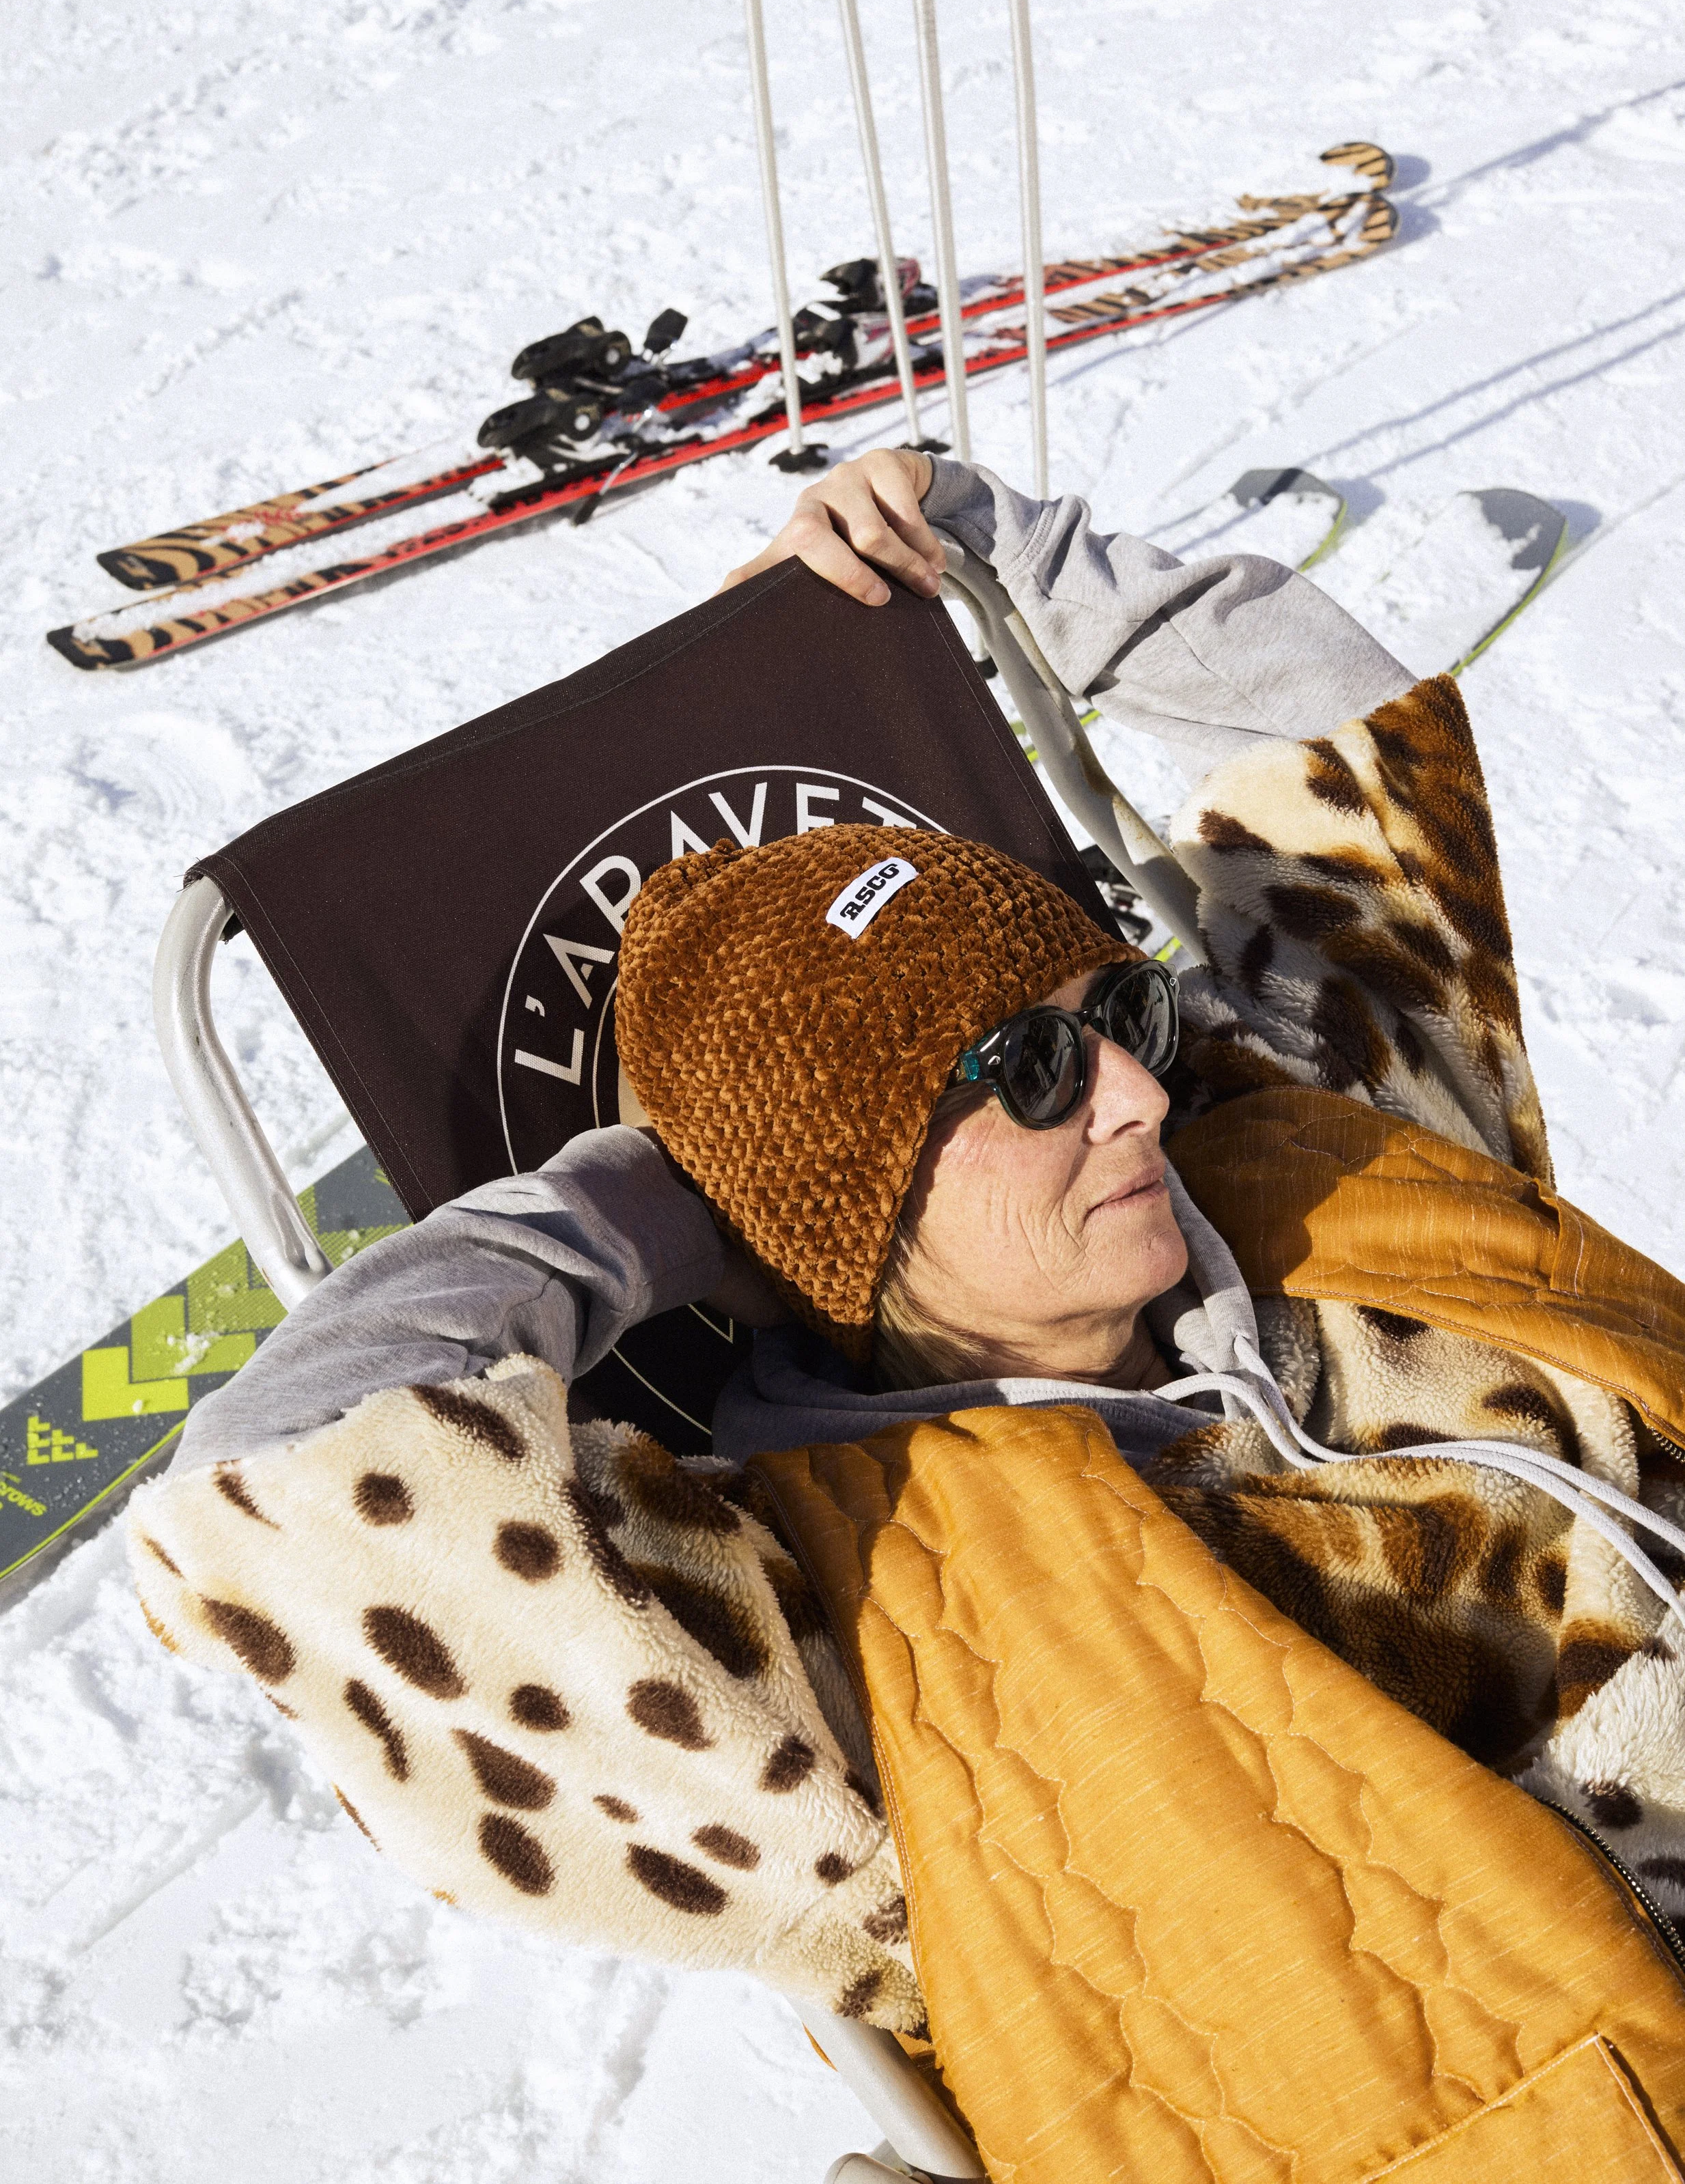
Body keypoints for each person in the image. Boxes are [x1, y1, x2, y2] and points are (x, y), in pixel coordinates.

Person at [129, 449, 1685, 2170]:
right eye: (1028, 1069)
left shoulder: (1320, 1154)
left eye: (1122, 1018)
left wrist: (980, 534)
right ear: (839, 1196)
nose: (1140, 1098)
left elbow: (1353, 745)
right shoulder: (811, 1634)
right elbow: (276, 1486)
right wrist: (677, 1187)